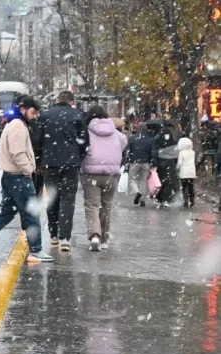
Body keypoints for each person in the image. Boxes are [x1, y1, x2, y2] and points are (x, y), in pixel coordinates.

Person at [0, 96, 53, 263]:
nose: (35, 116)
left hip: (11, 176)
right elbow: (18, 153)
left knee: (7, 212)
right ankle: (36, 250)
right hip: (18, 177)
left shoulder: (15, 124)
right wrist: (28, 170)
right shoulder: (18, 126)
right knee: (31, 213)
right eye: (33, 112)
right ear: (23, 110)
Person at [36, 90, 87, 252]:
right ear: (71, 101)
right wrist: (78, 156)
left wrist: (39, 159)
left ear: (57, 100)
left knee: (52, 197)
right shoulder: (78, 115)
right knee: (68, 198)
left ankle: (54, 234)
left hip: (49, 162)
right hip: (70, 163)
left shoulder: (45, 115)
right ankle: (65, 236)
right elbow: (85, 142)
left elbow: (37, 140)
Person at [81, 106, 127, 251]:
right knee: (106, 206)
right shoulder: (116, 133)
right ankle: (104, 240)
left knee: (92, 205)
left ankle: (95, 235)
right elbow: (124, 144)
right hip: (111, 174)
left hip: (91, 174)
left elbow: (81, 149)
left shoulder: (86, 132)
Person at [125, 122, 153, 207]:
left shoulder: (132, 138)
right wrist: (152, 162)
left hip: (134, 162)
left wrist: (127, 161)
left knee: (132, 179)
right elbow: (152, 151)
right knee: (143, 181)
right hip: (146, 162)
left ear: (137, 129)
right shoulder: (150, 138)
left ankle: (137, 192)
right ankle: (142, 199)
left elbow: (128, 151)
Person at [153, 125, 179, 207]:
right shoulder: (173, 142)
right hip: (169, 164)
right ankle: (165, 199)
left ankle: (160, 198)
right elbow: (176, 154)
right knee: (168, 182)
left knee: (162, 182)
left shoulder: (157, 141)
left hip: (161, 164)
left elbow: (155, 153)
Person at [177, 137, 196, 208]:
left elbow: (179, 163)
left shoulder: (181, 153)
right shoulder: (193, 152)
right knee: (191, 187)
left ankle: (185, 201)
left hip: (184, 172)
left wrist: (177, 169)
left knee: (184, 187)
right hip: (191, 172)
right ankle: (192, 201)